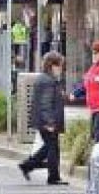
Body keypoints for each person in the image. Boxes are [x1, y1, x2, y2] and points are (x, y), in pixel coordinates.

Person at [20, 52, 68, 186]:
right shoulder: (48, 81)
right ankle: (52, 176)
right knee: (52, 147)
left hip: (43, 120)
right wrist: (49, 122)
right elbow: (45, 103)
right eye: (60, 66)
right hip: (47, 121)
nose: (61, 69)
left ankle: (29, 166)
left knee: (50, 147)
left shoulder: (45, 79)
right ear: (53, 65)